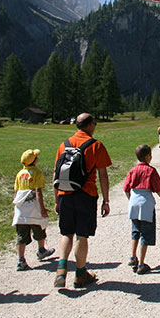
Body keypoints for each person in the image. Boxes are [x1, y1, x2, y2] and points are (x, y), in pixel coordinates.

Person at [53, 113, 112, 289]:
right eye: (94, 123)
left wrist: (57, 199)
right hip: (85, 195)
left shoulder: (63, 145)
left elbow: (56, 174)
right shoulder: (96, 145)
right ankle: (80, 274)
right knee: (82, 235)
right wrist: (106, 200)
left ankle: (61, 269)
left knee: (66, 233)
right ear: (89, 125)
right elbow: (103, 175)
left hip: (65, 194)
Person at [123, 144, 160, 275]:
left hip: (134, 202)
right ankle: (141, 264)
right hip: (146, 202)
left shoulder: (132, 170)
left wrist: (130, 198)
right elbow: (157, 187)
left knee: (135, 230)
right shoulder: (151, 171)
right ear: (147, 156)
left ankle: (133, 257)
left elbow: (126, 188)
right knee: (145, 233)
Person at [12, 148, 55, 271]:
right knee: (39, 228)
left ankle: (21, 260)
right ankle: (41, 250)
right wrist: (42, 209)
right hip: (33, 207)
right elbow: (38, 192)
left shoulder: (19, 174)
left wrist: (15, 209)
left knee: (21, 235)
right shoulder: (37, 173)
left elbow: (16, 192)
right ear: (35, 161)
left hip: (21, 208)